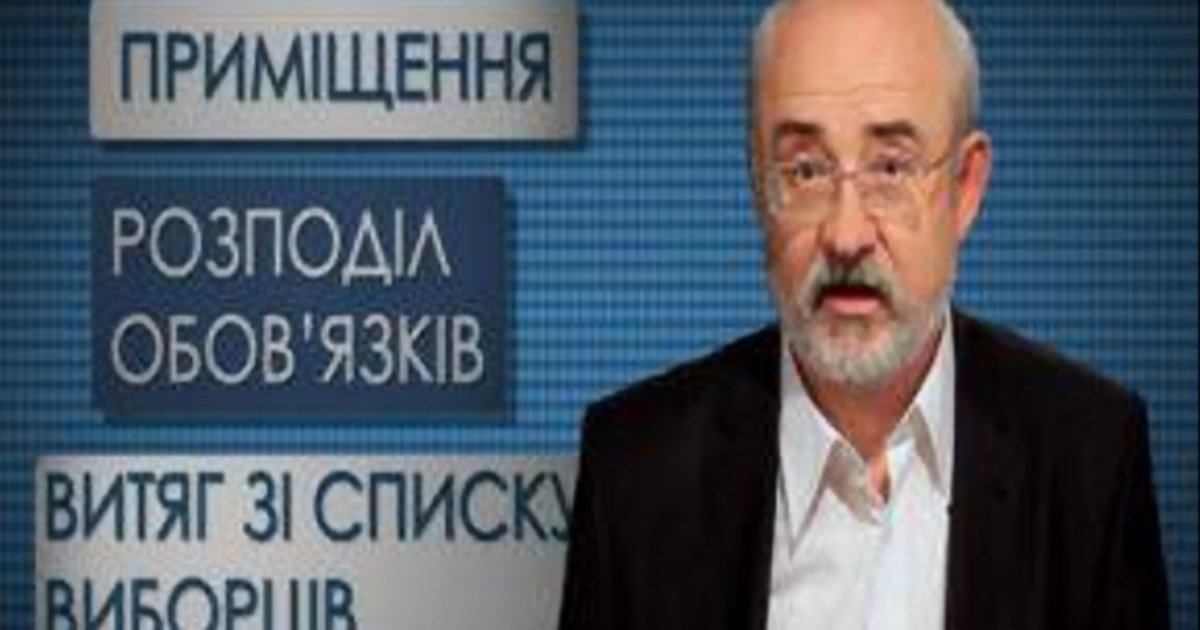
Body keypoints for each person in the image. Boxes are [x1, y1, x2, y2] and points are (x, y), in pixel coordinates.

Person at [556, 0, 1170, 628]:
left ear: (965, 187)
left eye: (891, 168)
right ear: (759, 186)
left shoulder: (1090, 457)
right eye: (806, 171)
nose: (846, 236)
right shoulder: (637, 468)